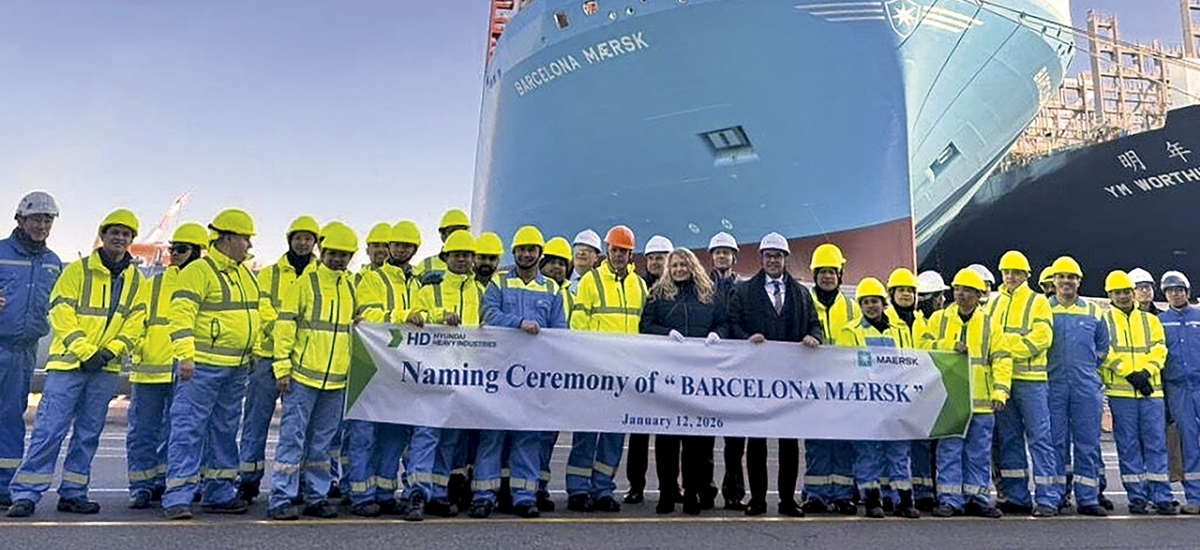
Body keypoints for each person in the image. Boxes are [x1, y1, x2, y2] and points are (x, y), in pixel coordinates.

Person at [6, 209, 145, 518]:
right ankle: (26, 494)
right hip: (69, 366)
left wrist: (108, 353)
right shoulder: (77, 271)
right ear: (103, 235)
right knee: (49, 430)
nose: (119, 238)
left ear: (131, 239)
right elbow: (60, 312)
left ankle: (73, 492)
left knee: (88, 433)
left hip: (105, 369)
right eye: (114, 232)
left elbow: (137, 321)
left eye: (126, 233)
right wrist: (86, 351)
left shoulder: (137, 280)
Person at [161, 209, 260, 520]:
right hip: (201, 366)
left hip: (236, 368)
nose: (248, 245)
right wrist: (185, 355)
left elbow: (252, 317)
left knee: (225, 430)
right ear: (228, 238)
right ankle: (177, 496)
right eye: (245, 239)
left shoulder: (244, 275)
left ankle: (219, 491)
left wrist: (253, 350)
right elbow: (180, 316)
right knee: (188, 428)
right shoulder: (198, 271)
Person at [266, 224, 360, 521]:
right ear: (322, 251)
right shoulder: (305, 283)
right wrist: (282, 368)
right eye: (333, 253)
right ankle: (281, 497)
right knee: (292, 439)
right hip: (302, 377)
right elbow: (285, 326)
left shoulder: (350, 286)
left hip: (336, 381)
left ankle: (315, 496)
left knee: (321, 444)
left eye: (344, 255)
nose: (338, 260)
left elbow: (362, 322)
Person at [472, 226, 567, 519]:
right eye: (522, 250)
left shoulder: (552, 289)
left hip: (533, 377)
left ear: (539, 254)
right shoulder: (499, 283)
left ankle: (523, 497)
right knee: (493, 435)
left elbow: (560, 329)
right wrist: (519, 323)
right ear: (514, 253)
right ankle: (484, 496)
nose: (527, 254)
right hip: (498, 374)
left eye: (532, 250)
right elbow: (488, 315)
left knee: (528, 435)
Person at [727, 232, 822, 517]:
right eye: (768, 256)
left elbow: (815, 325)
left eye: (777, 256)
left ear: (785, 259)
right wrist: (747, 337)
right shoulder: (744, 291)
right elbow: (732, 324)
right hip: (757, 380)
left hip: (791, 380)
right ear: (761, 258)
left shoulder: (801, 294)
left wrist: (813, 338)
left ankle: (787, 500)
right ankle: (757, 499)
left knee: (789, 444)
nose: (773, 260)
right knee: (756, 443)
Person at [236, 215, 320, 504]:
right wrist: (284, 328)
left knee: (299, 430)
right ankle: (248, 481)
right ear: (290, 240)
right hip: (267, 357)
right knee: (255, 423)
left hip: (301, 362)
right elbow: (262, 307)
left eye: (308, 238)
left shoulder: (321, 275)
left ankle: (293, 484)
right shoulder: (270, 273)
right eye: (298, 237)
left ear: (315, 243)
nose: (303, 243)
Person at [125, 223, 207, 510]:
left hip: (186, 370)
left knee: (181, 433)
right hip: (151, 366)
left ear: (198, 252)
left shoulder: (205, 282)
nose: (173, 254)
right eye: (172, 248)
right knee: (143, 431)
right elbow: (137, 318)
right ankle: (142, 486)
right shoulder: (156, 282)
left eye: (180, 250)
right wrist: (137, 347)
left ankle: (173, 482)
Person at [566, 225, 647, 513]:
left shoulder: (639, 285)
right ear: (607, 251)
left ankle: (602, 489)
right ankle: (577, 490)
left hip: (624, 375)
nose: (619, 255)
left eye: (624, 251)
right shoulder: (590, 281)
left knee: (613, 436)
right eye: (614, 250)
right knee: (586, 433)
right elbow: (578, 325)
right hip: (595, 373)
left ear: (630, 253)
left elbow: (643, 329)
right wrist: (587, 364)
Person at [402, 230, 482, 521]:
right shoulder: (429, 287)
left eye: (466, 255)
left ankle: (437, 494)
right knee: (426, 434)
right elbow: (415, 315)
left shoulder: (479, 291)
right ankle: (416, 494)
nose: (462, 260)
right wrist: (440, 316)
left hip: (464, 377)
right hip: (432, 374)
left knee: (449, 438)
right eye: (456, 255)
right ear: (446, 257)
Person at [640, 248, 726, 515]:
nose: (679, 269)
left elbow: (723, 323)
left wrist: (717, 335)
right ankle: (667, 492)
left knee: (695, 443)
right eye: (674, 265)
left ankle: (692, 493)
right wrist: (667, 333)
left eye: (683, 265)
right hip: (667, 377)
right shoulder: (657, 295)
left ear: (692, 266)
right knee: (666, 441)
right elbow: (645, 326)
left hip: (698, 378)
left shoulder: (709, 294)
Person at [344, 223, 421, 517]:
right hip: (369, 365)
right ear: (389, 248)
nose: (401, 250)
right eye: (397, 245)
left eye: (407, 246)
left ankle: (385, 492)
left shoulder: (416, 284)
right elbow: (366, 315)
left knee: (394, 433)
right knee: (364, 433)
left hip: (400, 369)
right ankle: (361, 495)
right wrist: (403, 316)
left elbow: (423, 316)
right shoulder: (372, 279)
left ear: (414, 249)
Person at [922, 268, 1010, 519]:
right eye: (958, 289)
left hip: (982, 403)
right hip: (950, 400)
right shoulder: (939, 319)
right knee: (949, 451)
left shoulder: (989, 323)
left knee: (978, 453)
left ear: (978, 295)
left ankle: (978, 498)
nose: (961, 294)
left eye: (967, 290)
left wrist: (1000, 393)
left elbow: (1002, 358)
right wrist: (949, 346)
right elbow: (923, 345)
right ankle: (950, 500)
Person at [0, 191, 62, 511]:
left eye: (47, 219)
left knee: (11, 417)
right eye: (36, 218)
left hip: (24, 350)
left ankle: (3, 484)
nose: (41, 225)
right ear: (20, 219)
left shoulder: (53, 263)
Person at [840, 277, 919, 519]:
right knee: (868, 453)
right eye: (866, 302)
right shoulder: (850, 331)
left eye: (875, 301)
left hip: (896, 402)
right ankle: (872, 501)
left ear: (883, 303)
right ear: (860, 305)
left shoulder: (902, 330)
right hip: (866, 404)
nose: (871, 306)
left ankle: (904, 501)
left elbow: (914, 360)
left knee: (899, 452)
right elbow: (846, 367)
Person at [1102, 270, 1176, 515]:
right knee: (1128, 446)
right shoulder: (1104, 321)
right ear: (1109, 295)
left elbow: (1159, 349)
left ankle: (1162, 496)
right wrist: (1131, 373)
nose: (1122, 296)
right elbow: (1105, 354)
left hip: (1150, 393)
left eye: (1126, 292)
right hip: (1122, 394)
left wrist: (1145, 373)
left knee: (1156, 445)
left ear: (1132, 293)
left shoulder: (1150, 320)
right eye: (1117, 293)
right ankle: (1137, 497)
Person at [991, 250, 1058, 517]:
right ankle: (1017, 497)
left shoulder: (1038, 301)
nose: (1010, 277)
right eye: (1006, 272)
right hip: (1004, 382)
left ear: (1026, 275)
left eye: (1016, 272)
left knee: (1040, 439)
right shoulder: (994, 304)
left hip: (1032, 382)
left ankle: (1047, 499)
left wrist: (1005, 350)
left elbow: (1042, 337)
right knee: (1009, 440)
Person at [1044, 256, 1109, 517]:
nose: (1066, 281)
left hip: (1085, 386)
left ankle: (1088, 498)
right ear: (1054, 281)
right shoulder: (1043, 309)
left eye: (1071, 277)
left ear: (1079, 281)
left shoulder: (1093, 311)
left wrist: (1088, 370)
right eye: (1061, 277)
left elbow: (1103, 347)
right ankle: (1058, 495)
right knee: (1055, 442)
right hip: (1053, 385)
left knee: (1088, 442)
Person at [802, 242, 859, 515]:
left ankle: (843, 495)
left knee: (844, 442)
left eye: (832, 272)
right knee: (817, 443)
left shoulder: (852, 307)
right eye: (822, 271)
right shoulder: (804, 303)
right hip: (813, 386)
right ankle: (815, 494)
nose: (827, 276)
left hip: (845, 386)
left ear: (840, 275)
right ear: (814, 274)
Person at [624, 234, 673, 505]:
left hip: (667, 372)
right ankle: (636, 486)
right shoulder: (637, 286)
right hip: (640, 368)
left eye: (661, 258)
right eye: (652, 258)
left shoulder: (677, 288)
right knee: (639, 432)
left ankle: (670, 485)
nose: (656, 262)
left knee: (670, 434)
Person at [885, 267, 929, 515]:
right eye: (901, 290)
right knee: (895, 445)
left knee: (921, 444)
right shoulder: (885, 322)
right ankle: (892, 494)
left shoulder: (923, 323)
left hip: (919, 392)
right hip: (894, 394)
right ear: (892, 293)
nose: (906, 295)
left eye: (910, 291)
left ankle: (922, 492)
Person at [707, 231, 746, 510]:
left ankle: (734, 490)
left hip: (736, 368)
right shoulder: (701, 286)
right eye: (717, 251)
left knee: (736, 437)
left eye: (726, 251)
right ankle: (704, 489)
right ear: (711, 257)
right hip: (706, 367)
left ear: (734, 256)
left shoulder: (744, 289)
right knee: (704, 434)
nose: (722, 256)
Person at [535, 235, 572, 511]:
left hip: (560, 375)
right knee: (526, 434)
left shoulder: (572, 295)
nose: (557, 268)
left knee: (548, 436)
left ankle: (540, 487)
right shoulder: (535, 291)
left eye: (562, 263)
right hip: (532, 373)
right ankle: (515, 486)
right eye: (552, 263)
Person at [1159, 270, 1200, 514]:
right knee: (1188, 444)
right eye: (1171, 290)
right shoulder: (1160, 322)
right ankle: (1195, 497)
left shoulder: (1199, 318)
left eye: (1180, 289)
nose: (1176, 293)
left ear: (1187, 292)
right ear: (1166, 294)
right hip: (1178, 390)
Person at [413, 208, 470, 278]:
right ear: (443, 235)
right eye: (452, 232)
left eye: (461, 232)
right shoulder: (425, 265)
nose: (456, 236)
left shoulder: (473, 267)